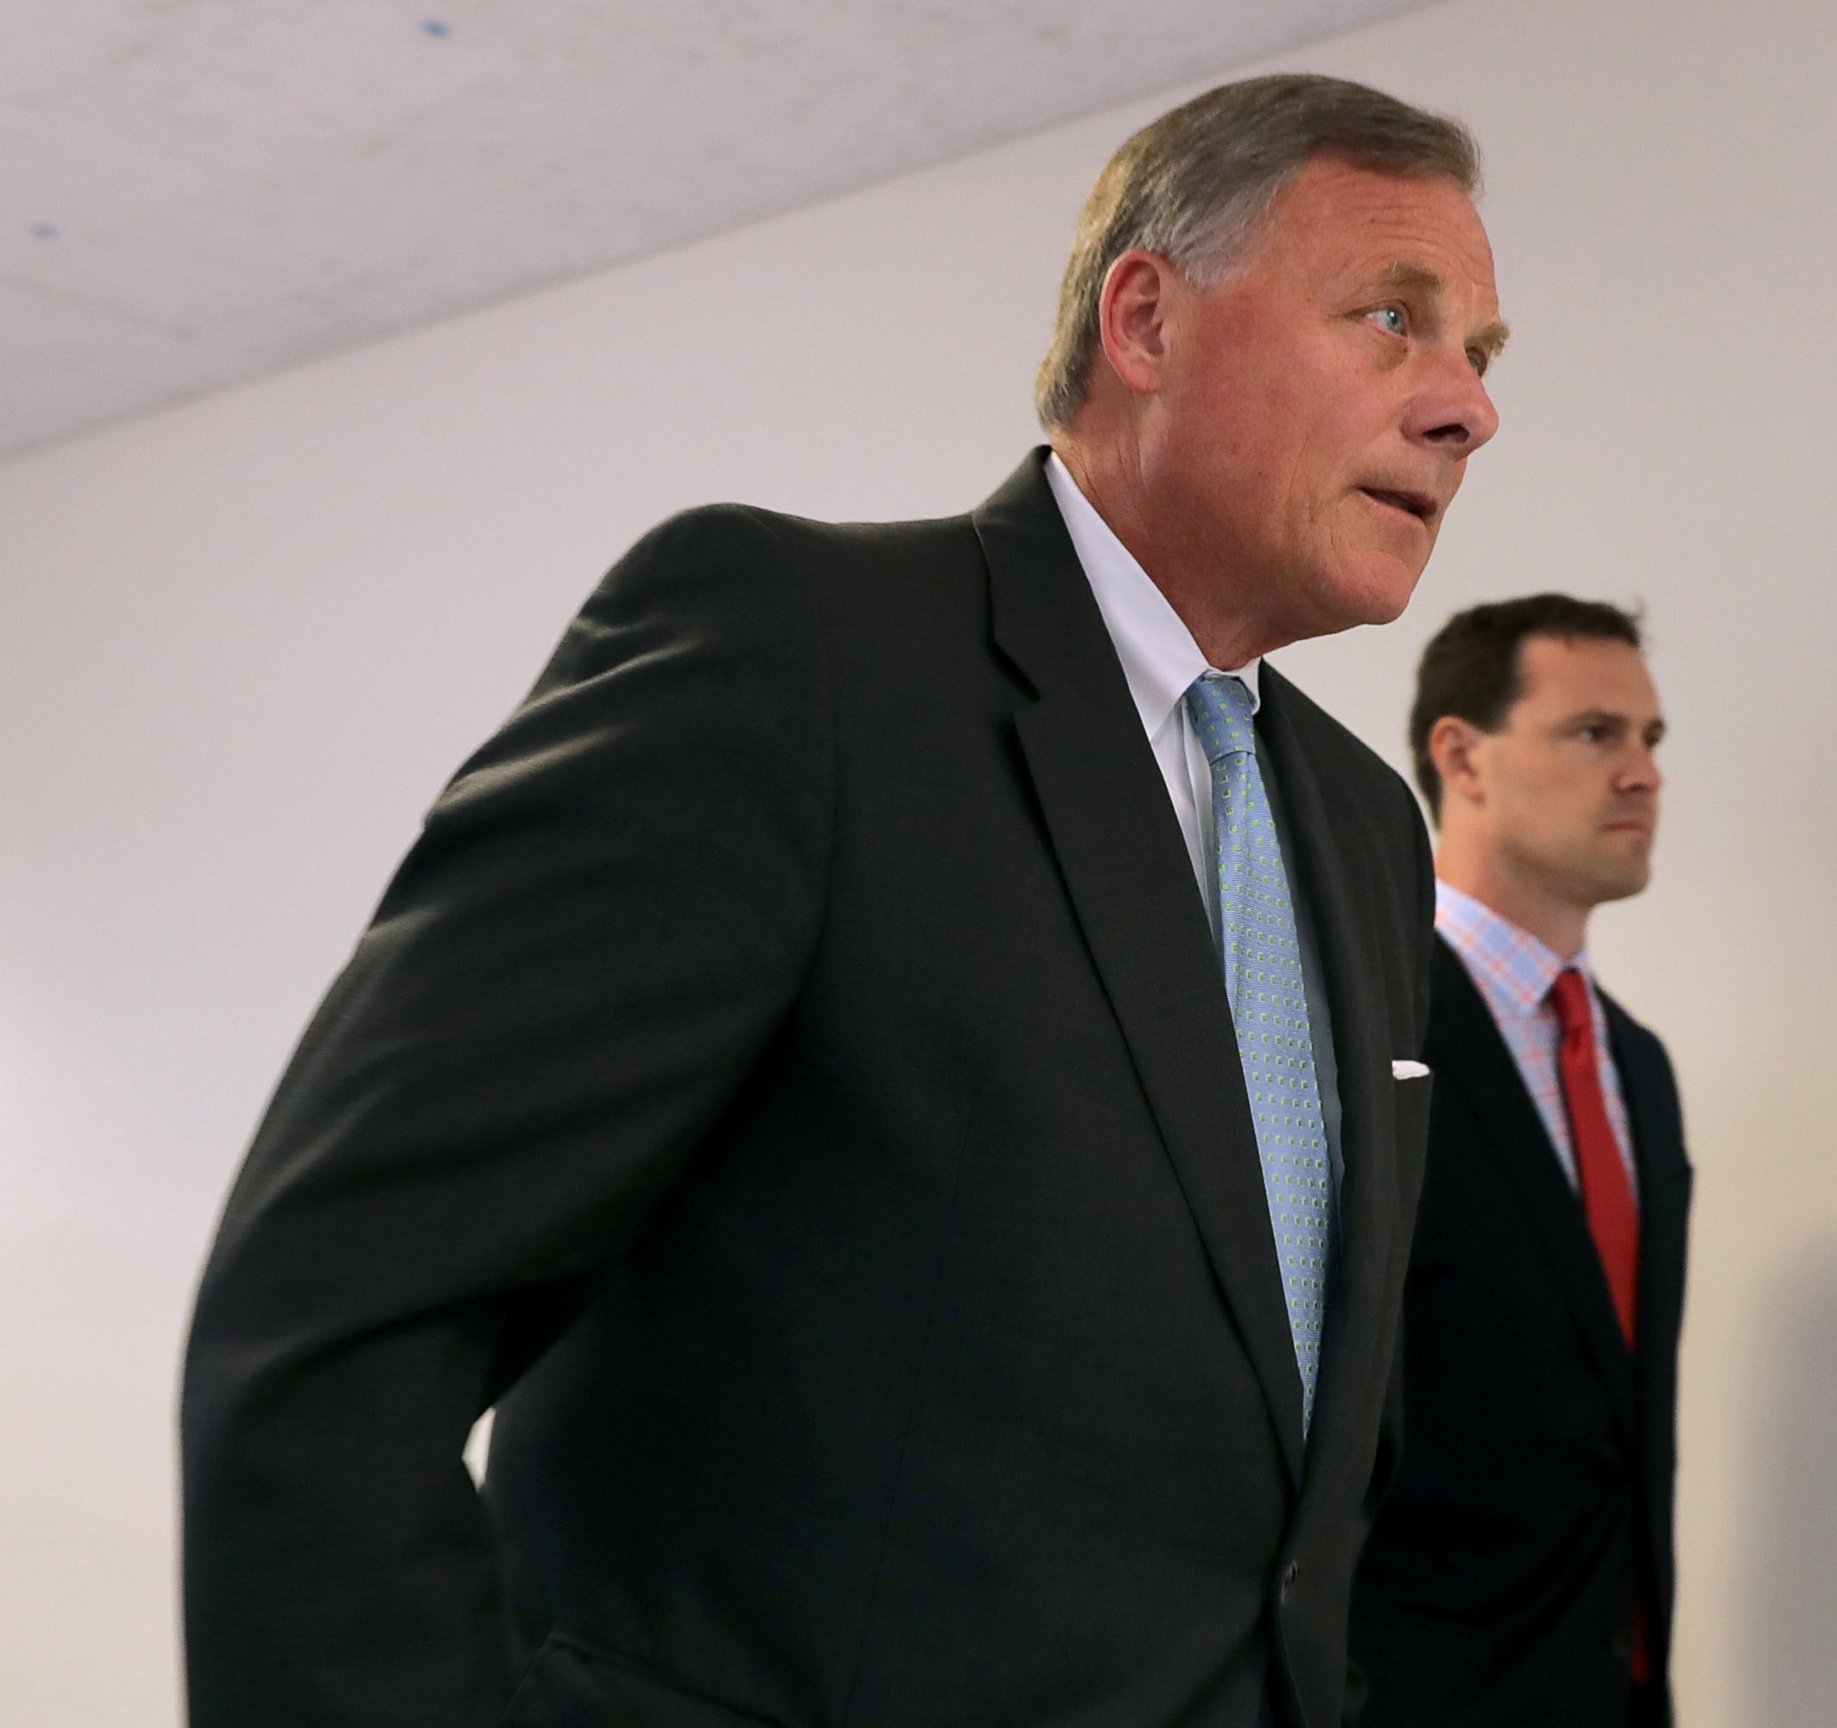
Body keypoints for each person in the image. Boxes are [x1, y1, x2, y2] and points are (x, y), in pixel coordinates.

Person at [180, 73, 1506, 1728]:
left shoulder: (1365, 826)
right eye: (1393, 317)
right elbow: (334, 1332)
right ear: (1148, 318)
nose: (1464, 405)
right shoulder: (794, 656)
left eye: (1481, 354)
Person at [1350, 596, 1688, 1726]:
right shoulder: (1358, 1030)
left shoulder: (1635, 1065)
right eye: (1595, 733)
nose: (1640, 773)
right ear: (1462, 755)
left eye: (1650, 741)